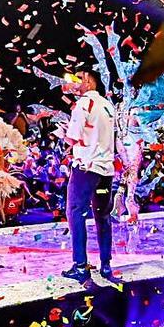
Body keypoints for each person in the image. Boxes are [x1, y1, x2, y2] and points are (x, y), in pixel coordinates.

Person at [63, 66, 119, 283]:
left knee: (75, 213)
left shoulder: (83, 105)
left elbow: (72, 137)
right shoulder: (108, 106)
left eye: (79, 79)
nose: (75, 84)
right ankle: (106, 265)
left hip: (86, 168)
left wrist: (63, 133)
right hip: (106, 171)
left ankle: (80, 265)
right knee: (102, 216)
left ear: (88, 81)